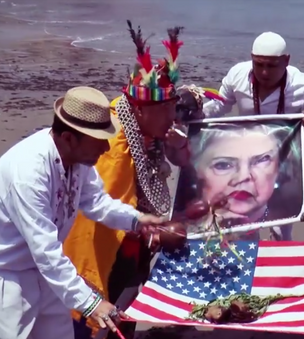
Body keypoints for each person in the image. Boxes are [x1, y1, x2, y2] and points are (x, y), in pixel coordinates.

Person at [63, 22, 210, 339]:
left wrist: (178, 145)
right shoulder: (115, 145)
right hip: (109, 250)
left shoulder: (149, 131)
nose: (173, 116)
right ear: (140, 110)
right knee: (105, 315)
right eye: (167, 109)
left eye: (174, 108)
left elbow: (181, 162)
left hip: (133, 242)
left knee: (126, 312)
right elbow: (96, 221)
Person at [0, 86, 165, 339]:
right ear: (68, 138)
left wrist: (138, 220)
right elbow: (46, 251)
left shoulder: (78, 161)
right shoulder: (29, 174)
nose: (106, 148)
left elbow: (97, 202)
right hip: (11, 277)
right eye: (98, 140)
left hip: (48, 276)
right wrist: (92, 303)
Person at [201, 31, 304, 240]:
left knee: (281, 225)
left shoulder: (303, 86)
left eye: (272, 66)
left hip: (285, 160)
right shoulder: (238, 75)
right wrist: (193, 112)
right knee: (243, 219)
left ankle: (279, 263)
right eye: (258, 64)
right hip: (244, 160)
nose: (264, 72)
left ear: (286, 61)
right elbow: (219, 105)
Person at [174, 121, 303, 237]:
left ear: (278, 169)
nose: (243, 177)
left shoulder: (281, 228)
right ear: (197, 171)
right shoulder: (177, 230)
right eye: (223, 165)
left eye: (261, 160)